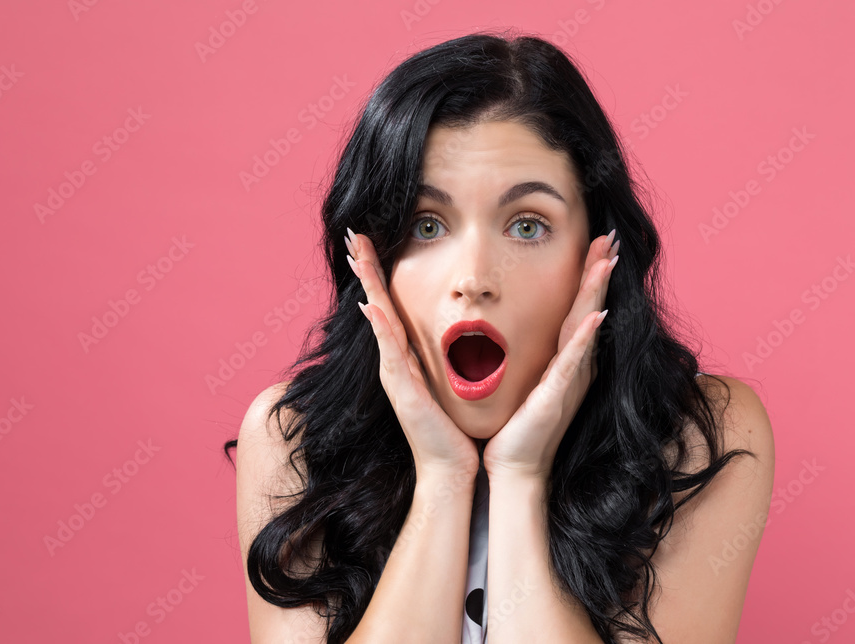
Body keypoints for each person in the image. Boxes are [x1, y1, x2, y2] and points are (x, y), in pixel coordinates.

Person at [223, 30, 774, 644]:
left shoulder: (700, 435)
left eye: (528, 225)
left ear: (597, 252)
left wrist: (519, 478)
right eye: (426, 225)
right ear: (371, 258)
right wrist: (443, 476)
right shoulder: (292, 439)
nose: (475, 279)